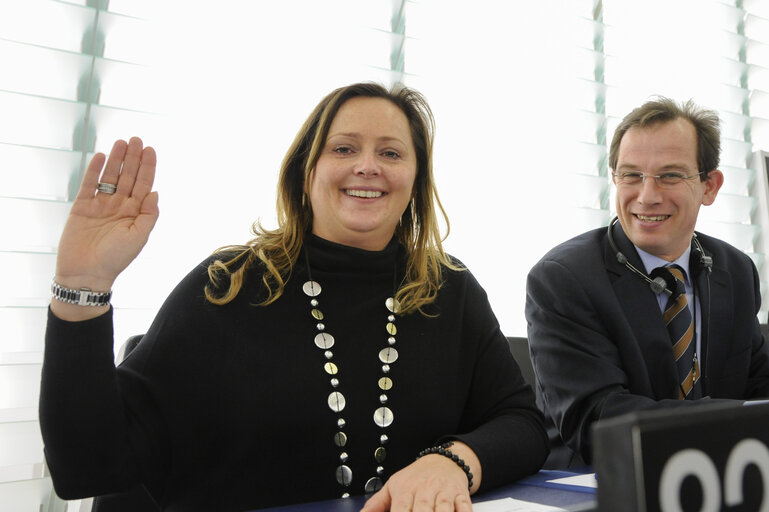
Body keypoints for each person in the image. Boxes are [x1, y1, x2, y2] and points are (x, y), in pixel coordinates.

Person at [40, 82, 549, 511]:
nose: (367, 166)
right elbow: (87, 467)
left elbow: (522, 424)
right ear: (306, 173)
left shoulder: (449, 289)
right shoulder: (228, 284)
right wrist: (83, 288)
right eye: (343, 148)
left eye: (391, 153)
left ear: (414, 183)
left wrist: (453, 460)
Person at [525, 96, 769, 468]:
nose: (647, 196)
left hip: (718, 477)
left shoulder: (734, 270)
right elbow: (599, 419)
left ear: (709, 186)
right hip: (596, 485)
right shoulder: (564, 279)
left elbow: (757, 382)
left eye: (670, 175)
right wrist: (736, 420)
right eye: (631, 175)